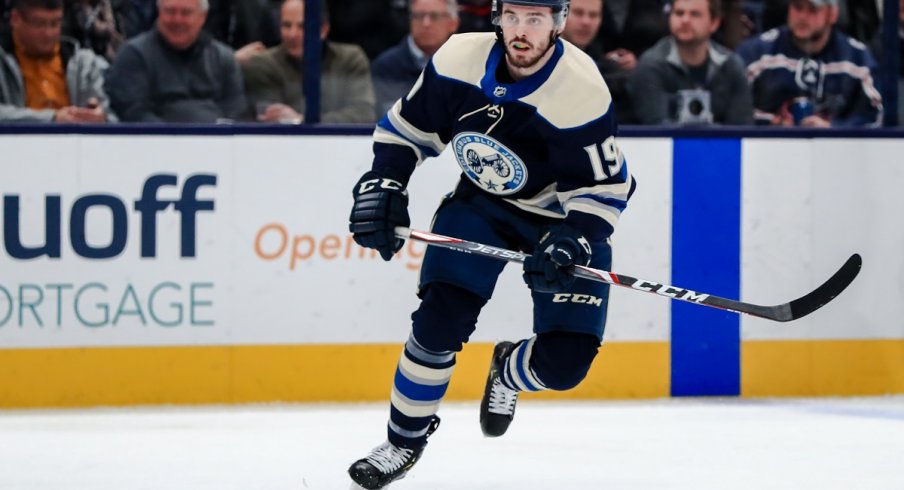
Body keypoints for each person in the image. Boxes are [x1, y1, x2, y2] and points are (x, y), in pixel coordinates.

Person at [346, 1, 635, 488]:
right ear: (498, 17)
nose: (522, 32)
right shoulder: (458, 58)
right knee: (440, 318)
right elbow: (405, 131)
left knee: (564, 366)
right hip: (483, 207)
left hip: (561, 221)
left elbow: (605, 191)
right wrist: (385, 183)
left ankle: (508, 371)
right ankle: (401, 443)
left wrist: (574, 239)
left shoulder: (581, 89)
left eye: (536, 19)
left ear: (559, 23)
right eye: (514, 17)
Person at [736, 0, 881, 127]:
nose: (803, 17)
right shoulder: (757, 54)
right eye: (797, 7)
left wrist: (833, 128)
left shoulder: (857, 59)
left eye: (813, 10)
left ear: (832, 14)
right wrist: (773, 123)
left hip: (837, 155)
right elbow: (733, 112)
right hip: (767, 153)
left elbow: (875, 117)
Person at [103, 0, 245, 122]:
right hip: (154, 146)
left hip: (217, 146)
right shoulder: (133, 55)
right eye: (170, 12)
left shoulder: (224, 58)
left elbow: (235, 111)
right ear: (159, 12)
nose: (177, 20)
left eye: (186, 13)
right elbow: (134, 114)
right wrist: (177, 140)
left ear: (203, 17)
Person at [240, 0, 374, 124]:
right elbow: (273, 118)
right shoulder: (263, 64)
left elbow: (364, 114)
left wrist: (300, 120)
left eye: (302, 26)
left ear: (324, 30)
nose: (292, 34)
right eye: (286, 25)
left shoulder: (350, 58)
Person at [628, 0, 752, 125]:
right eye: (679, 13)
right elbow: (656, 128)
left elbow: (741, 128)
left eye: (695, 14)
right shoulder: (651, 65)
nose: (685, 20)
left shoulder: (731, 65)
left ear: (714, 23)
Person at [1, 0, 114, 122]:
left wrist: (101, 117)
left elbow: (113, 117)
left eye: (55, 24)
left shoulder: (83, 62)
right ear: (15, 19)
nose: (48, 33)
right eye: (39, 24)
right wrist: (52, 118)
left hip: (77, 139)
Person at [371, 0, 459, 118]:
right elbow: (388, 117)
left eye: (435, 16)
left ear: (453, 24)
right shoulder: (386, 66)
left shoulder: (467, 64)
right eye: (418, 16)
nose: (426, 23)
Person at [560, 0, 635, 122]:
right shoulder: (538, 60)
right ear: (560, 14)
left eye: (594, 15)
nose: (586, 22)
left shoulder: (609, 68)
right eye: (578, 13)